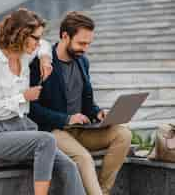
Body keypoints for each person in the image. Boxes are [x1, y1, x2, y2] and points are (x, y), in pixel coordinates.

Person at [0, 8, 86, 195]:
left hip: (21, 130)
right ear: (21, 35)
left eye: (38, 38)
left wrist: (45, 59)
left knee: (69, 166)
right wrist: (24, 97)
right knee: (46, 139)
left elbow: (44, 45)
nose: (38, 43)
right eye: (34, 38)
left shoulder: (25, 57)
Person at [29, 11, 132, 195]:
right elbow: (31, 109)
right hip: (54, 130)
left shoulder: (82, 62)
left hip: (81, 129)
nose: (85, 48)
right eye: (81, 43)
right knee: (84, 158)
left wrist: (98, 113)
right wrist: (67, 118)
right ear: (65, 36)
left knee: (123, 134)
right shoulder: (41, 63)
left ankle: (102, 191)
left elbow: (87, 103)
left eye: (88, 44)